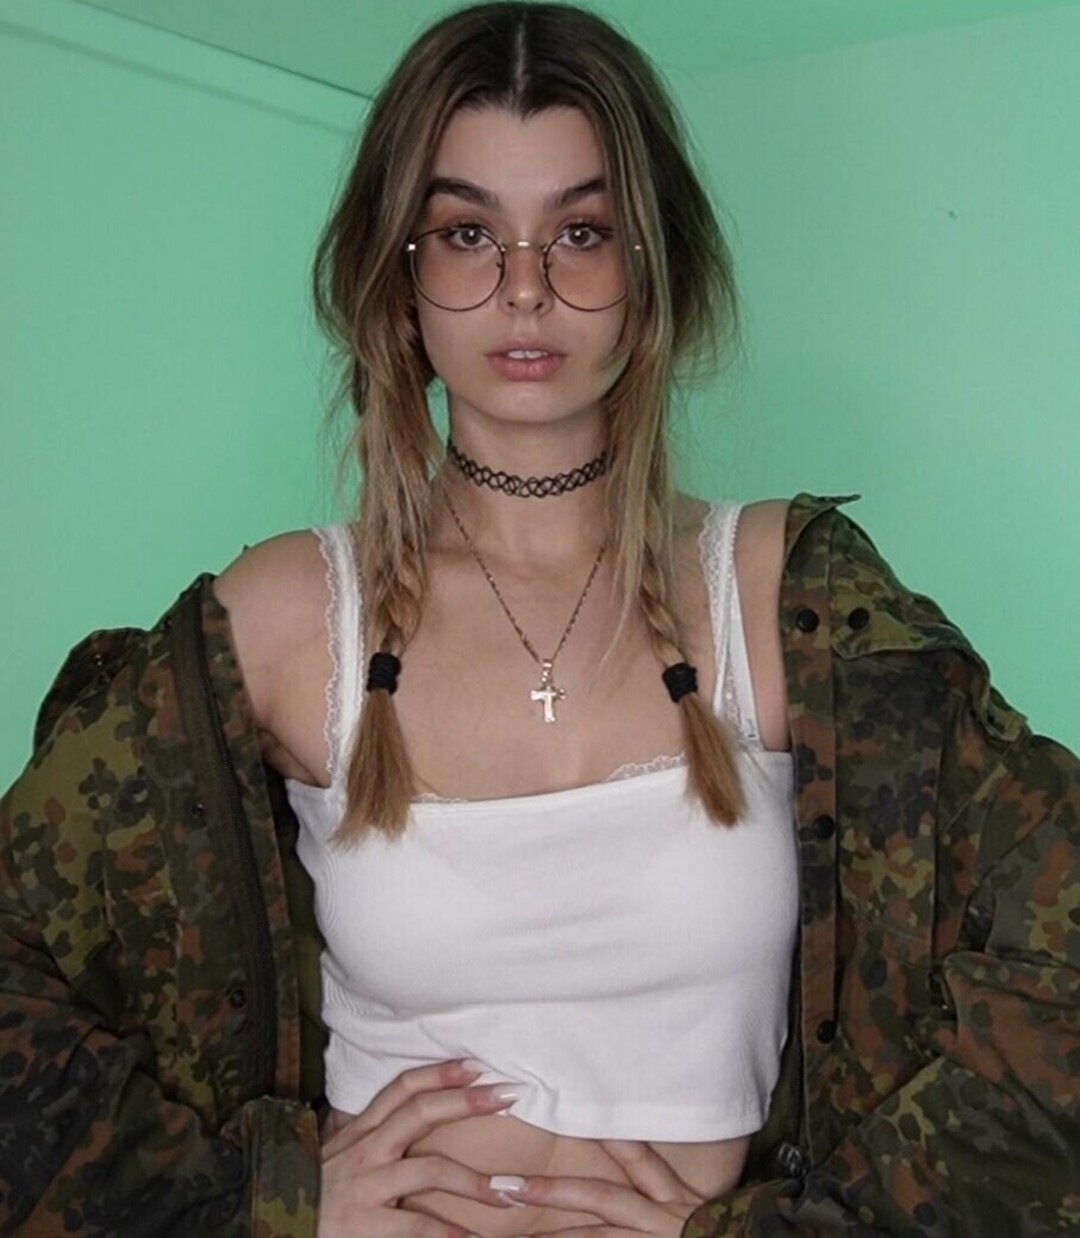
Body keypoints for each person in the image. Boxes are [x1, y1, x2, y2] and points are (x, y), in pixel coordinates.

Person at [1, 3, 1076, 1236]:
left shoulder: (788, 599)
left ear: (652, 269)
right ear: (399, 276)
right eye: (468, 233)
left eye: (581, 232)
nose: (525, 290)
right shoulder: (291, 617)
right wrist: (269, 1199)